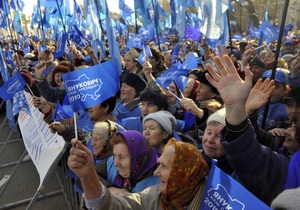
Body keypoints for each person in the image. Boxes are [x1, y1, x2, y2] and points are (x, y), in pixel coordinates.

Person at [204, 49, 298, 205]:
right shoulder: (282, 153)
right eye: (291, 126)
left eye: (295, 128)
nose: (288, 130)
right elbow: (251, 152)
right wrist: (238, 108)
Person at [68, 137, 209, 210]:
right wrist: (87, 175)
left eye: (164, 167)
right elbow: (113, 206)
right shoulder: (155, 196)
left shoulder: (214, 204)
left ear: (184, 175)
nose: (156, 172)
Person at [93, 130, 160, 196]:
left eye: (122, 157)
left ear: (139, 157)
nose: (116, 164)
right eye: (114, 155)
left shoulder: (159, 183)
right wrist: (110, 188)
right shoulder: (110, 164)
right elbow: (88, 175)